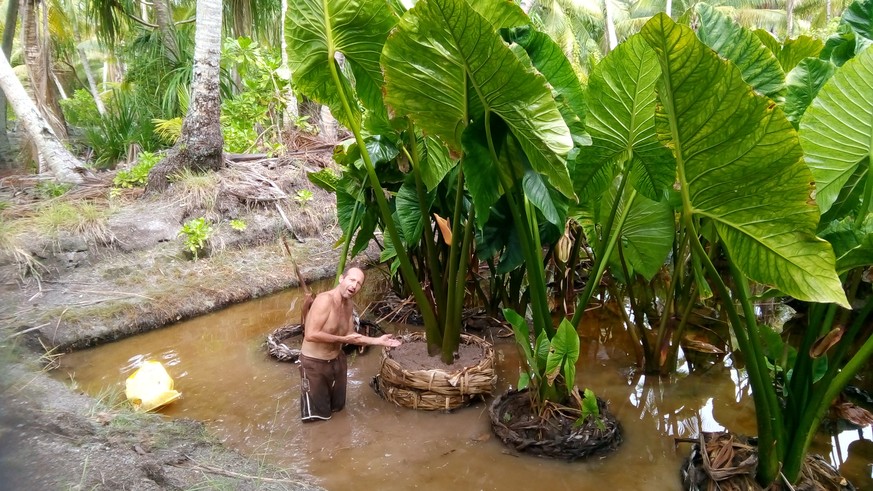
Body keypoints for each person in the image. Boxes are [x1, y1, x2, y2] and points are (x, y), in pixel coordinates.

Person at [299, 266, 401, 422]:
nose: (354, 286)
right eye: (352, 280)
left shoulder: (348, 305)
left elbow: (351, 335)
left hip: (337, 362)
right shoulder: (324, 300)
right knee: (317, 419)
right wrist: (343, 340)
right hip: (315, 365)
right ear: (341, 279)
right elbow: (311, 334)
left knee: (339, 411)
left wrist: (378, 341)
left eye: (359, 283)